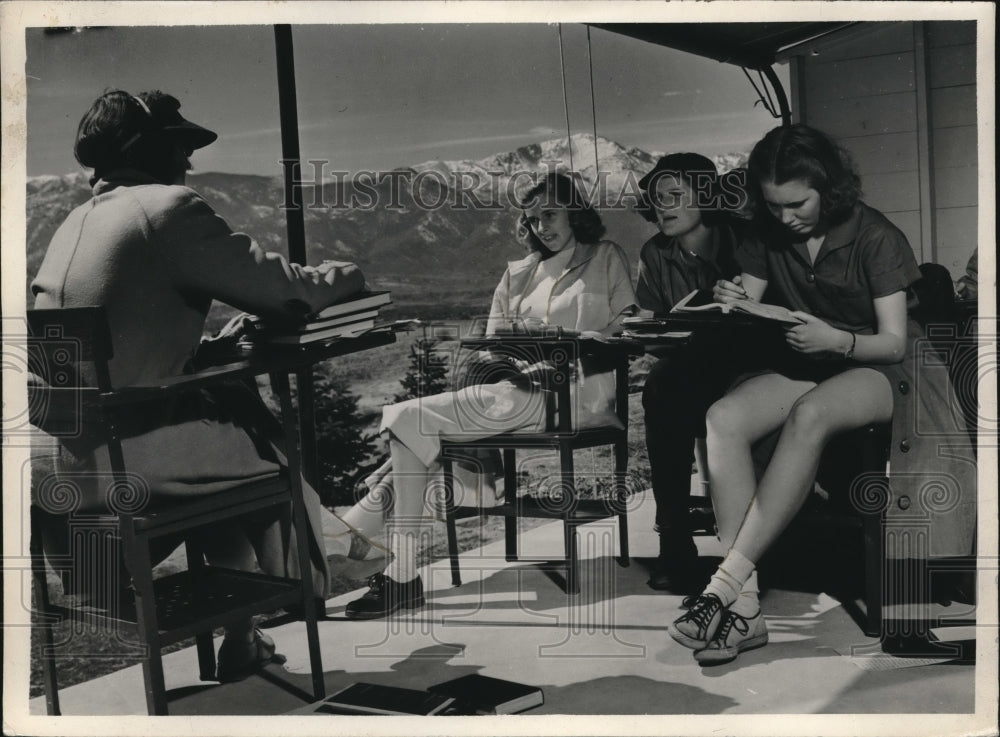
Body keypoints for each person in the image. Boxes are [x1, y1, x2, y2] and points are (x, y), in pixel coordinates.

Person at [30, 90, 366, 681]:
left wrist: (204, 350)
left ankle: (245, 634)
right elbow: (290, 291)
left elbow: (109, 353)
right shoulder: (168, 207)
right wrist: (350, 275)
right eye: (181, 146)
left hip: (60, 458)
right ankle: (311, 578)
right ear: (152, 149)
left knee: (226, 427)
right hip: (128, 461)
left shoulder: (73, 223)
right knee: (261, 449)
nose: (189, 162)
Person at [668, 124, 976, 665]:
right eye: (773, 205)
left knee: (810, 414)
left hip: (888, 367)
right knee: (723, 418)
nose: (786, 217)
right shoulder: (766, 232)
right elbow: (753, 302)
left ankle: (723, 586)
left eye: (797, 203)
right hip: (807, 354)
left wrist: (837, 339)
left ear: (827, 187)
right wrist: (734, 297)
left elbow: (892, 341)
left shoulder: (877, 236)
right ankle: (746, 614)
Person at [336, 172, 638, 619]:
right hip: (518, 389)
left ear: (575, 211)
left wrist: (574, 338)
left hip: (577, 393)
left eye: (550, 214)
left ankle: (355, 549)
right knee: (410, 427)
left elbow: (627, 327)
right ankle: (382, 564)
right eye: (533, 220)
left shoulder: (604, 257)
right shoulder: (517, 274)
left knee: (409, 423)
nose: (542, 226)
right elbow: (492, 343)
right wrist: (520, 352)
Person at [633, 153, 749, 593]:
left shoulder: (739, 241)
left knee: (670, 386)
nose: (664, 205)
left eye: (676, 195)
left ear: (705, 195)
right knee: (662, 388)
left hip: (746, 363)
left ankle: (744, 549)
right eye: (659, 198)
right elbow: (647, 318)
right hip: (686, 369)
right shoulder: (655, 253)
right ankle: (675, 546)